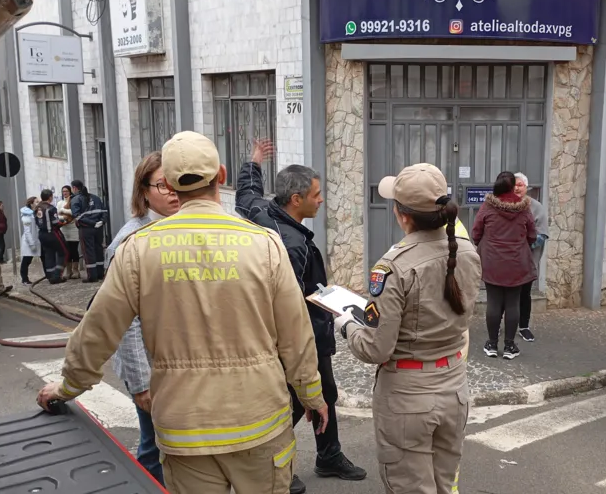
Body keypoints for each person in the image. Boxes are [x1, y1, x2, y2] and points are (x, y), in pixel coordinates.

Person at [36, 131, 330, 494]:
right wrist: (312, 395)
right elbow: (296, 336)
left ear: (172, 184)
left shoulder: (137, 251)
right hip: (259, 422)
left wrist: (67, 386)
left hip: (185, 430)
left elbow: (96, 333)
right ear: (221, 175)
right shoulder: (264, 245)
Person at [333, 163, 482, 494]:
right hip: (454, 386)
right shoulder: (467, 252)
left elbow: (375, 348)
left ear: (403, 216)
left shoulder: (393, 267)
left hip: (408, 398)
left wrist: (346, 325)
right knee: (445, 485)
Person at [237, 152, 367, 493]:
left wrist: (253, 163)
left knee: (325, 394)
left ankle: (328, 456)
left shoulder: (262, 211)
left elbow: (246, 193)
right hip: (298, 338)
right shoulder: (291, 245)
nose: (321, 199)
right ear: (296, 200)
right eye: (316, 194)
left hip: (305, 330)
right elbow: (287, 306)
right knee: (294, 402)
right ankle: (273, 464)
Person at [101, 151, 181, 486]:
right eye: (163, 185)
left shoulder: (180, 231)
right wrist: (140, 383)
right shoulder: (130, 242)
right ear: (143, 191)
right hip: (151, 371)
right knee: (154, 451)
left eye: (178, 182)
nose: (173, 191)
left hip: (179, 367)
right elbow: (125, 321)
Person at [470, 171, 536, 360]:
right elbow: (532, 234)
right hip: (517, 262)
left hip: (492, 262)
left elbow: (476, 232)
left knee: (494, 302)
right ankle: (509, 346)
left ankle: (491, 344)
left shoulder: (488, 206)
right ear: (512, 186)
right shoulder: (523, 207)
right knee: (513, 303)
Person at [512, 173, 548, 343]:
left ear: (526, 187)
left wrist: (523, 244)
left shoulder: (536, 207)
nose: (517, 188)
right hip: (507, 261)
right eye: (514, 185)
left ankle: (524, 326)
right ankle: (498, 326)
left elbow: (542, 235)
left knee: (525, 294)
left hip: (527, 261)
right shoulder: (505, 205)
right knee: (504, 296)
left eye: (520, 185)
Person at [70, 179, 107, 282]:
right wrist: (102, 222)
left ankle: (92, 276)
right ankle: (100, 273)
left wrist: (92, 223)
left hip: (86, 229)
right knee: (98, 249)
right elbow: (104, 211)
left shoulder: (76, 199)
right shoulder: (96, 198)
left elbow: (77, 217)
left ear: (74, 188)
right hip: (98, 228)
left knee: (88, 251)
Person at [34, 189, 68, 284]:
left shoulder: (37, 208)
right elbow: (56, 222)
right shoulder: (51, 208)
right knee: (63, 252)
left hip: (42, 234)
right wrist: (64, 221)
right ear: (50, 197)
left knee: (49, 254)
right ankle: (57, 275)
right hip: (52, 234)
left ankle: (50, 276)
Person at [57, 185, 81, 279]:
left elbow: (75, 213)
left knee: (74, 250)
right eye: (63, 191)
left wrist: (64, 212)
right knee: (67, 250)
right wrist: (65, 217)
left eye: (66, 191)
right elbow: (58, 215)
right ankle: (68, 270)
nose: (65, 193)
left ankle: (76, 270)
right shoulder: (60, 203)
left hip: (74, 228)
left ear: (70, 191)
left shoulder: (74, 201)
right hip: (64, 229)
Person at [19, 197, 40, 285]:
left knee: (28, 260)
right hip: (28, 241)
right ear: (31, 204)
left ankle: (25, 279)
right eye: (36, 202)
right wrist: (31, 244)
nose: (38, 203)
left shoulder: (34, 214)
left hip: (34, 240)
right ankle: (24, 279)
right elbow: (27, 231)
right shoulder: (26, 215)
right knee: (26, 260)